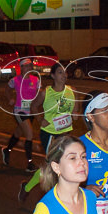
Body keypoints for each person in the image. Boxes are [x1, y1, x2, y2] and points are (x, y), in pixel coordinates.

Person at [18, 64, 78, 203]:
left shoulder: (73, 91)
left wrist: (75, 114)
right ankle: (33, 190)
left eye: (65, 73)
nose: (64, 75)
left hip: (66, 133)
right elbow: (34, 106)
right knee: (53, 166)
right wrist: (40, 119)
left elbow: (76, 110)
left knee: (59, 166)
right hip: (50, 134)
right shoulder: (46, 92)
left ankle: (30, 188)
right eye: (59, 72)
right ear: (52, 76)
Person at [2, 58, 42, 172]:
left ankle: (7, 150)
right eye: (26, 66)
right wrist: (10, 99)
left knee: (18, 132)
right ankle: (29, 163)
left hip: (31, 112)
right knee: (29, 134)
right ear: (21, 68)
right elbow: (7, 90)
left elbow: (39, 95)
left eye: (30, 66)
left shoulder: (36, 80)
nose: (29, 68)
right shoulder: (15, 80)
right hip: (19, 111)